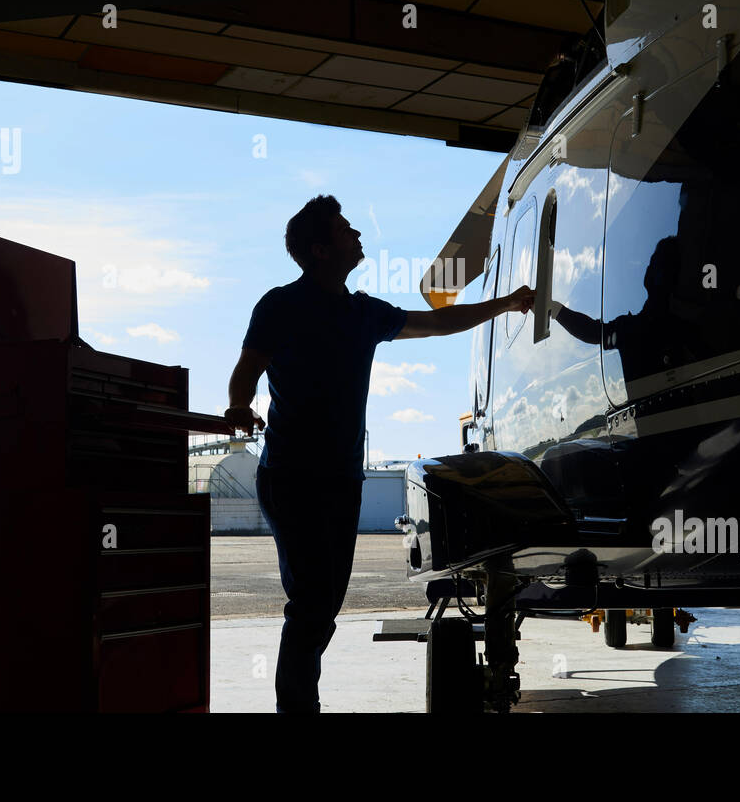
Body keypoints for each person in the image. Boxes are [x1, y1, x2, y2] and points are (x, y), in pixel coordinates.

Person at [225, 194, 533, 713]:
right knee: (311, 605)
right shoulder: (280, 305)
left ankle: (298, 704)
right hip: (291, 477)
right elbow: (246, 371)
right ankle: (297, 709)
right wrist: (238, 404)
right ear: (321, 249)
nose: (359, 237)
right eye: (347, 230)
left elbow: (438, 322)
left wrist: (502, 305)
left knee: (322, 608)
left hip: (342, 483)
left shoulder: (364, 313)